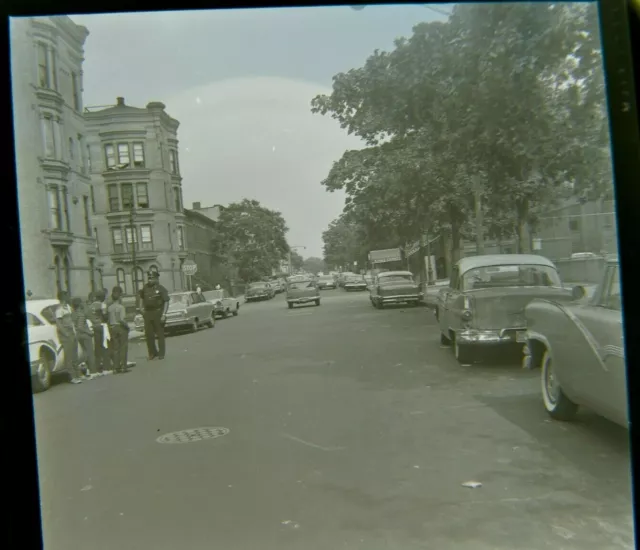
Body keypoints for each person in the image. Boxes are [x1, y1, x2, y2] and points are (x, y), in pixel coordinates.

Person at [139, 270, 170, 360]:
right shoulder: (145, 288)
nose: (149, 280)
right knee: (149, 334)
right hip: (147, 313)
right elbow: (141, 298)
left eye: (152, 278)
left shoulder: (161, 288)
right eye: (149, 278)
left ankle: (161, 353)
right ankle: (152, 353)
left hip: (157, 313)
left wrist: (164, 314)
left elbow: (166, 301)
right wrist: (141, 309)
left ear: (156, 278)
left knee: (160, 334)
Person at [55, 290, 82, 384]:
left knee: (75, 355)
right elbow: (59, 324)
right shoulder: (59, 310)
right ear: (63, 298)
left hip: (72, 332)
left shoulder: (68, 308)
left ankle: (78, 375)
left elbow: (72, 321)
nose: (69, 298)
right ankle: (72, 376)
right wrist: (65, 334)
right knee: (69, 356)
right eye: (67, 296)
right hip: (66, 334)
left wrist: (75, 332)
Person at [71, 296, 96, 377]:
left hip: (78, 335)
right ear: (79, 304)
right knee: (89, 353)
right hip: (85, 334)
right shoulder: (81, 314)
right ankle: (92, 370)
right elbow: (80, 327)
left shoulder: (73, 314)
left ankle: (85, 368)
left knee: (85, 352)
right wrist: (89, 332)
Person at [108, 286, 130, 374]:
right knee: (123, 347)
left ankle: (116, 367)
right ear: (120, 296)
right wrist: (127, 327)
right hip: (120, 327)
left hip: (113, 327)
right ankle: (123, 366)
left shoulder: (109, 308)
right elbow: (121, 319)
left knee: (115, 348)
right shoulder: (121, 307)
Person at [88, 290, 110, 374]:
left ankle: (97, 367)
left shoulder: (90, 306)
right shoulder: (102, 305)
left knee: (97, 348)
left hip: (94, 327)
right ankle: (106, 367)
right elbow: (105, 317)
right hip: (102, 326)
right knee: (105, 346)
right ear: (102, 297)